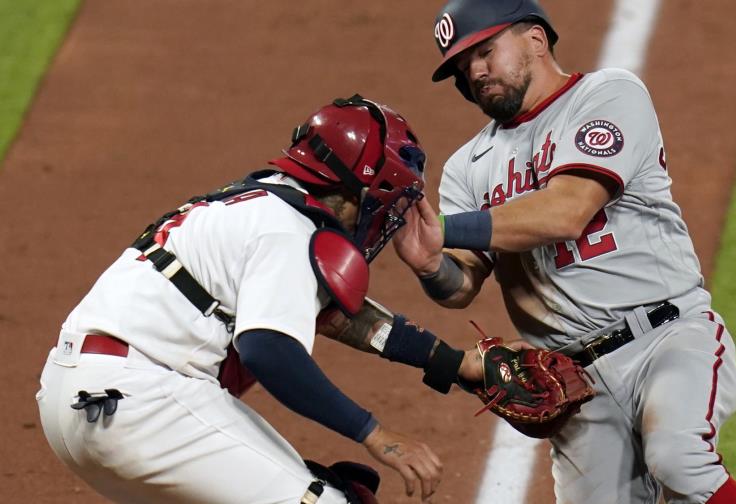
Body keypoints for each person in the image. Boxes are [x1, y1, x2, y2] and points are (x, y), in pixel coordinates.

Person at [36, 95, 495, 504]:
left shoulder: (261, 206)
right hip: (142, 399)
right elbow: (268, 348)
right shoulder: (287, 230)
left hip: (77, 399)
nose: (385, 216)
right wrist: (375, 434)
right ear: (352, 189)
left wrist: (453, 363)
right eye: (383, 199)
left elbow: (338, 318)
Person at [393, 1, 736, 503]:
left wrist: (445, 229)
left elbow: (567, 211)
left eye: (485, 51)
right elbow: (462, 285)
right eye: (462, 65)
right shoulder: (466, 168)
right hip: (575, 383)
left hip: (664, 337)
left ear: (536, 40)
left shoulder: (606, 95)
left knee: (678, 457)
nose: (474, 71)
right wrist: (430, 264)